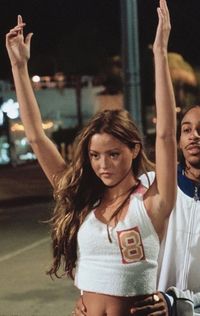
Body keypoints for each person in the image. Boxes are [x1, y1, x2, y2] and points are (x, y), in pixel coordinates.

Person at [5, 0, 177, 315]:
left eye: (113, 154)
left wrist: (159, 53)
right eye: (95, 155)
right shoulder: (84, 199)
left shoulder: (151, 201)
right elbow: (36, 137)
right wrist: (19, 67)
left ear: (135, 149)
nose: (103, 164)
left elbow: (166, 136)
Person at [129, 103, 200, 315]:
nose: (193, 135)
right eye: (186, 130)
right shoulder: (150, 185)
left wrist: (176, 304)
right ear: (179, 141)